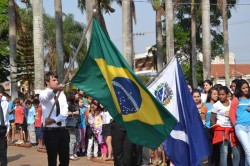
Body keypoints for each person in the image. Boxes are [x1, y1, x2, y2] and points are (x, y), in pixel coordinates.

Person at [39, 71, 69, 166]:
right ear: (47, 82)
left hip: (63, 131)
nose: (56, 81)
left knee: (65, 160)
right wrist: (55, 90)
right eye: (54, 80)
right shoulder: (43, 94)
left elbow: (65, 112)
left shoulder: (62, 94)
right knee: (52, 160)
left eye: (57, 80)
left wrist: (54, 120)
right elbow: (47, 97)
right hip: (50, 132)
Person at [210, 86, 240, 166]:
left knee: (236, 153)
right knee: (224, 152)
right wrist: (216, 130)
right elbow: (212, 119)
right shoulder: (216, 105)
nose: (220, 96)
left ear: (227, 94)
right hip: (221, 130)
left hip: (232, 130)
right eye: (219, 94)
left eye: (223, 94)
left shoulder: (232, 103)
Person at [229, 79, 250, 165]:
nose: (246, 89)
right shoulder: (236, 99)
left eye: (247, 87)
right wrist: (236, 125)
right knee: (248, 150)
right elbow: (231, 114)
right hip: (240, 127)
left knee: (247, 152)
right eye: (243, 88)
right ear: (239, 89)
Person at [0, 87, 10, 166]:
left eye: (1, 93)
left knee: (3, 149)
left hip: (3, 128)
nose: (0, 94)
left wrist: (8, 129)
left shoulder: (5, 103)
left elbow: (6, 117)